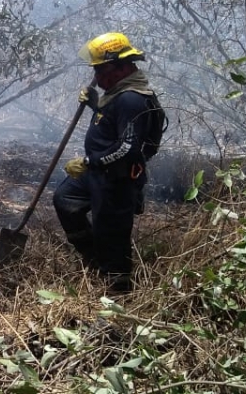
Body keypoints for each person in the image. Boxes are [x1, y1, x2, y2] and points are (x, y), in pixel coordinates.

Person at [52, 32, 162, 294]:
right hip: (99, 172)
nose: (98, 77)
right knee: (65, 200)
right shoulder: (117, 93)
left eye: (101, 70)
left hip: (117, 179)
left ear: (122, 68)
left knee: (111, 233)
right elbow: (114, 125)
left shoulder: (131, 99)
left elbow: (127, 147)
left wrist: (89, 162)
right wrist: (94, 104)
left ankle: (118, 292)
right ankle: (93, 260)